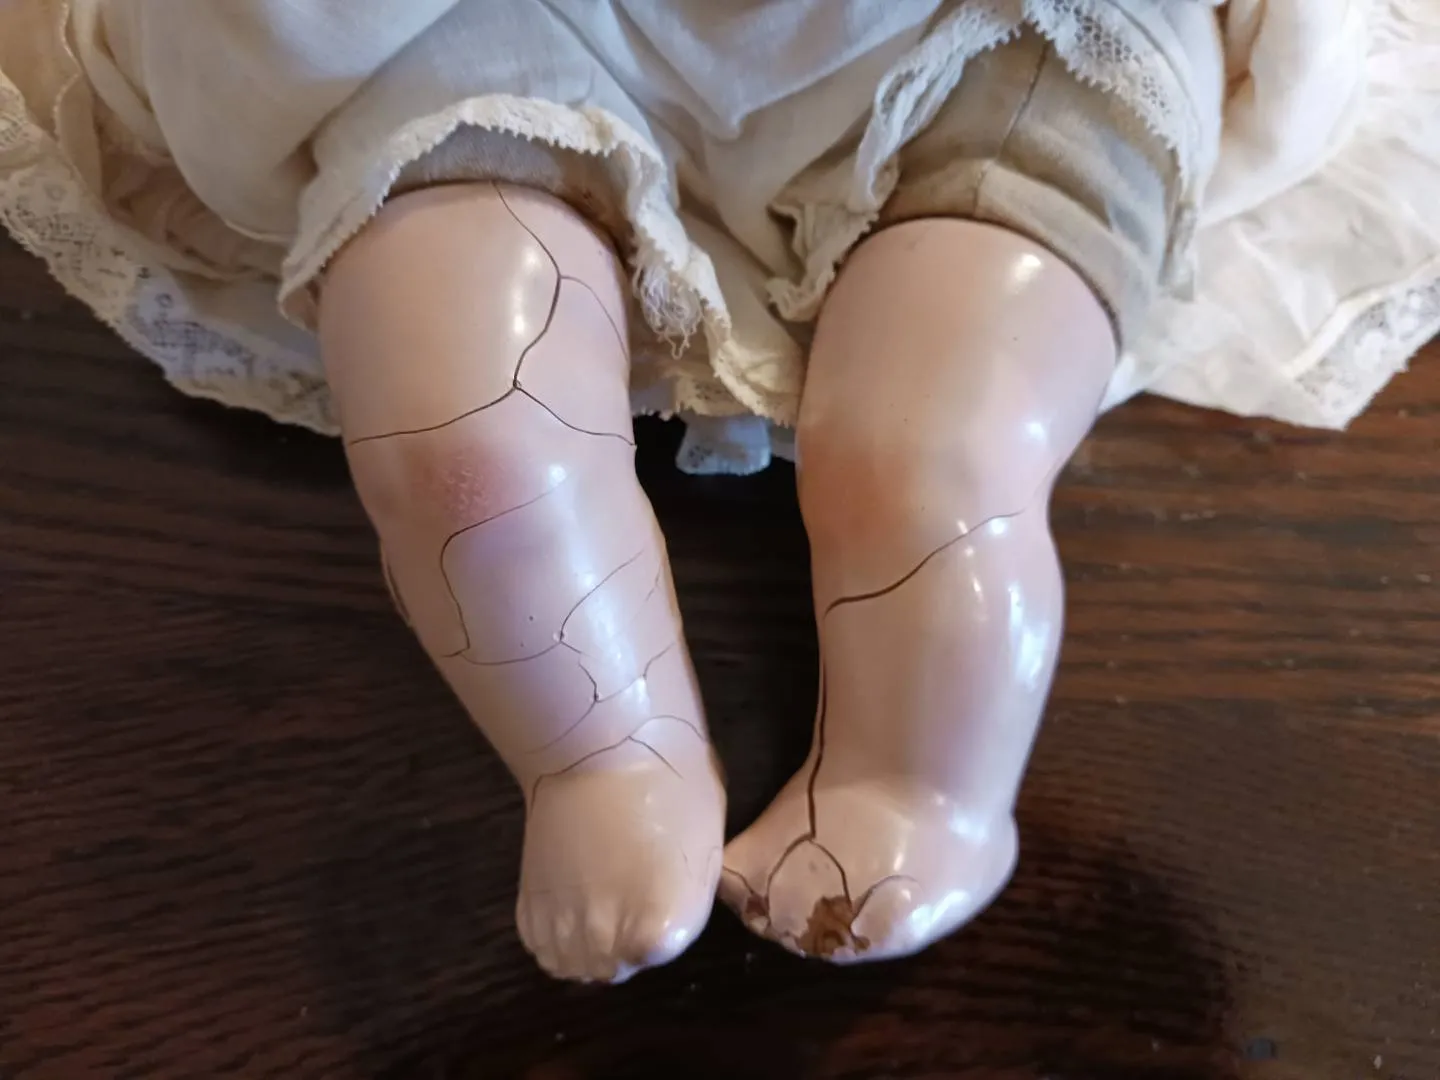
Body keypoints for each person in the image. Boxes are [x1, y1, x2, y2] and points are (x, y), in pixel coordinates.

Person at [2, 0, 1435, 983]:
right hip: (465, 32)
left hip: (986, 34)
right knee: (466, 447)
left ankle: (923, 781)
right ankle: (599, 753)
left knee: (929, 449)